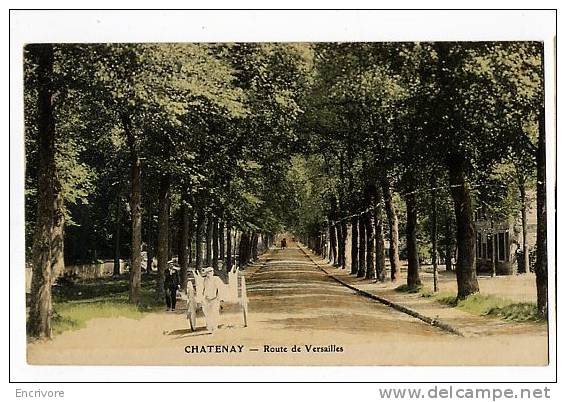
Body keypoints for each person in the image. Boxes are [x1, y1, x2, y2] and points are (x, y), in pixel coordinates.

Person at [200, 266, 224, 333]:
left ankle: (214, 326)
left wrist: (219, 297)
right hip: (207, 299)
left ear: (213, 272)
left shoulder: (216, 279)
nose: (209, 274)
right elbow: (203, 289)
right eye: (207, 273)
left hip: (214, 298)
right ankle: (210, 326)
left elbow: (220, 288)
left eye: (210, 272)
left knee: (214, 312)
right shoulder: (205, 280)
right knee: (207, 313)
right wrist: (203, 297)